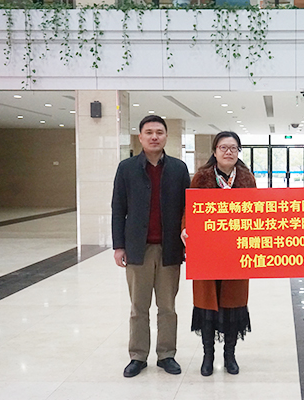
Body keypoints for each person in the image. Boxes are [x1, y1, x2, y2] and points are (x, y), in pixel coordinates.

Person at [112, 115, 191, 378]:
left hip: (170, 249)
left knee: (167, 307)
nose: (154, 137)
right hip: (138, 249)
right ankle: (138, 356)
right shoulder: (126, 168)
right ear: (140, 137)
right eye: (149, 132)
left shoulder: (179, 169)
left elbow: (188, 209)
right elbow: (118, 208)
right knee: (139, 308)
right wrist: (118, 246)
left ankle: (166, 354)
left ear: (166, 136)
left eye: (159, 132)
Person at [181, 131, 256, 376]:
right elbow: (189, 209)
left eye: (233, 148)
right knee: (208, 302)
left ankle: (230, 355)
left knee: (232, 303)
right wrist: (185, 229)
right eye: (223, 147)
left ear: (238, 152)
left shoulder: (246, 178)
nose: (228, 152)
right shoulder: (201, 177)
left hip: (237, 251)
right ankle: (208, 355)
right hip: (207, 251)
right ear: (214, 151)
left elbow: (257, 211)